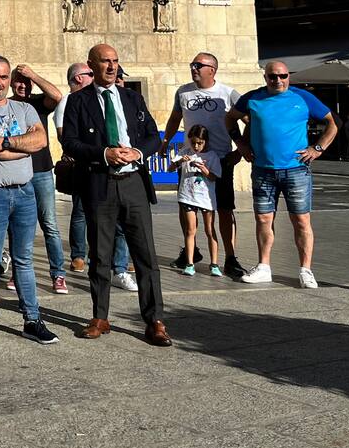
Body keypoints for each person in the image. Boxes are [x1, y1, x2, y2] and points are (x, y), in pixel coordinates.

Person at [62, 44, 171, 347]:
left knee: (146, 254)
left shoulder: (132, 98)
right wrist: (104, 153)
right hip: (100, 182)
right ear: (91, 65)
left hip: (134, 182)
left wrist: (137, 151)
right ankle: (100, 316)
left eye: (115, 61)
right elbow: (69, 143)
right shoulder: (78, 102)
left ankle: (155, 320)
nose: (111, 67)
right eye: (105, 62)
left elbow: (152, 135)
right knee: (100, 254)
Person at [0, 56, 60, 347]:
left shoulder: (25, 107)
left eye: (4, 77)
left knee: (24, 259)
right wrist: (22, 144)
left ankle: (32, 319)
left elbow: (40, 142)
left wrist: (4, 142)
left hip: (25, 191)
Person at [226, 61, 337, 288]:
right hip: (263, 170)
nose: (278, 80)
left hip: (296, 169)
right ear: (265, 78)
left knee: (301, 220)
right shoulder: (252, 98)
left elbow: (333, 123)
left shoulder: (302, 97)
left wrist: (317, 149)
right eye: (272, 77)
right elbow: (229, 118)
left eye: (283, 76)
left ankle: (306, 270)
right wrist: (241, 145)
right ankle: (264, 267)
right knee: (263, 219)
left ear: (289, 76)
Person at [159, 53, 246, 279]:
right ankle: (192, 251)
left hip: (220, 159)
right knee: (186, 206)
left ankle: (230, 258)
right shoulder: (183, 92)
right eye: (192, 65)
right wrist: (166, 141)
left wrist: (242, 150)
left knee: (224, 209)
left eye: (199, 65)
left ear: (212, 70)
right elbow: (174, 119)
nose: (194, 68)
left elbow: (251, 120)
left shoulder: (227, 93)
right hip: (190, 160)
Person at [54, 62, 133, 288]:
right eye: (89, 73)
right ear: (79, 77)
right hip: (86, 168)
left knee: (120, 221)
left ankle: (119, 264)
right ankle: (81, 255)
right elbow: (66, 137)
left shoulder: (119, 98)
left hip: (117, 168)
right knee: (83, 214)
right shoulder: (71, 102)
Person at [10, 64, 67, 295]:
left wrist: (34, 75)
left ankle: (58, 274)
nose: (23, 85)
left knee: (50, 224)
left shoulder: (37, 103)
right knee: (18, 226)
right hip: (16, 172)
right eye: (19, 81)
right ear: (12, 83)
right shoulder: (7, 105)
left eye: (27, 82)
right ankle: (18, 272)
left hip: (41, 171)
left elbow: (57, 96)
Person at [172, 125, 221, 278]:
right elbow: (170, 167)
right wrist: (180, 162)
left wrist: (203, 168)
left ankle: (214, 264)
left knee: (209, 230)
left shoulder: (212, 156)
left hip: (206, 199)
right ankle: (190, 263)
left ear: (205, 141)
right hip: (188, 196)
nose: (196, 146)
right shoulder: (184, 153)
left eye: (200, 143)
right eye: (193, 143)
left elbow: (214, 176)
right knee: (190, 230)